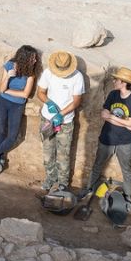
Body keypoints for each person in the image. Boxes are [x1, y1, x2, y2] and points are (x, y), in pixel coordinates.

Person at [83, 66, 131, 199]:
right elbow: (104, 114)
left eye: (116, 80)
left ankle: (128, 197)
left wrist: (112, 117)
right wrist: (126, 124)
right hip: (107, 138)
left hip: (125, 142)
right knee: (97, 165)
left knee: (126, 170)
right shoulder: (113, 94)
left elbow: (125, 121)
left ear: (123, 83)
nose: (114, 82)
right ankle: (88, 189)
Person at [35, 50, 85, 192]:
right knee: (48, 152)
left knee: (63, 154)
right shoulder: (48, 73)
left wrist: (61, 114)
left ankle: (63, 182)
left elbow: (76, 101)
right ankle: (50, 178)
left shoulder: (77, 77)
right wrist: (49, 102)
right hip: (47, 119)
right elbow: (40, 92)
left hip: (65, 122)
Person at [0, 45, 40, 174]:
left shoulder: (31, 74)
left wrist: (7, 91)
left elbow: (25, 94)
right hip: (2, 102)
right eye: (33, 58)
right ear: (25, 58)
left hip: (17, 106)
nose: (35, 61)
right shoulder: (10, 65)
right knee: (1, 132)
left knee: (12, 136)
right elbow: (1, 88)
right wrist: (8, 77)